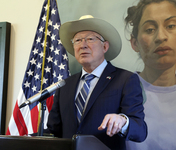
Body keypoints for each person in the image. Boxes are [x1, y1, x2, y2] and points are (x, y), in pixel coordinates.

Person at [46, 15, 147, 150]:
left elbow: (140, 131)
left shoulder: (125, 79)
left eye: (90, 39)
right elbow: (54, 131)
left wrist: (123, 121)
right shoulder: (64, 85)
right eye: (77, 40)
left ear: (105, 46)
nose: (83, 45)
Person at [125, 0, 176, 149]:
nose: (160, 36)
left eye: (170, 26)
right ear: (135, 43)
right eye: (150, 29)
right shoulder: (117, 94)